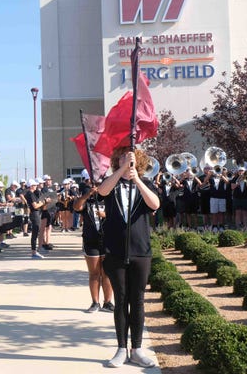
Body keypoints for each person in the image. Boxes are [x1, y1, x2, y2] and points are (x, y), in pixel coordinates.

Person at [98, 147, 160, 368]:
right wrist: (122, 169)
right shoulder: (111, 183)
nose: (128, 159)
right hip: (115, 250)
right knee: (121, 299)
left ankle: (138, 348)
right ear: (117, 160)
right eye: (123, 156)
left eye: (131, 156)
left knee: (138, 300)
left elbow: (155, 204)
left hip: (140, 251)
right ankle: (121, 348)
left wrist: (138, 180)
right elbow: (102, 192)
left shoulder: (146, 183)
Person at [73, 180, 114, 313]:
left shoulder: (109, 198)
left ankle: (108, 302)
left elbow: (118, 215)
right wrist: (87, 195)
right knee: (94, 273)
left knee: (107, 273)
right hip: (91, 240)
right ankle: (95, 302)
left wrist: (105, 215)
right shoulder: (87, 200)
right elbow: (76, 207)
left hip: (107, 239)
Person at [25, 179, 49, 259]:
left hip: (36, 213)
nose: (36, 186)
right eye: (35, 185)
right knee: (35, 233)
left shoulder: (31, 194)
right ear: (31, 186)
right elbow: (35, 206)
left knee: (36, 233)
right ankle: (34, 252)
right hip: (35, 214)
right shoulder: (30, 194)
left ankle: (34, 251)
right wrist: (44, 201)